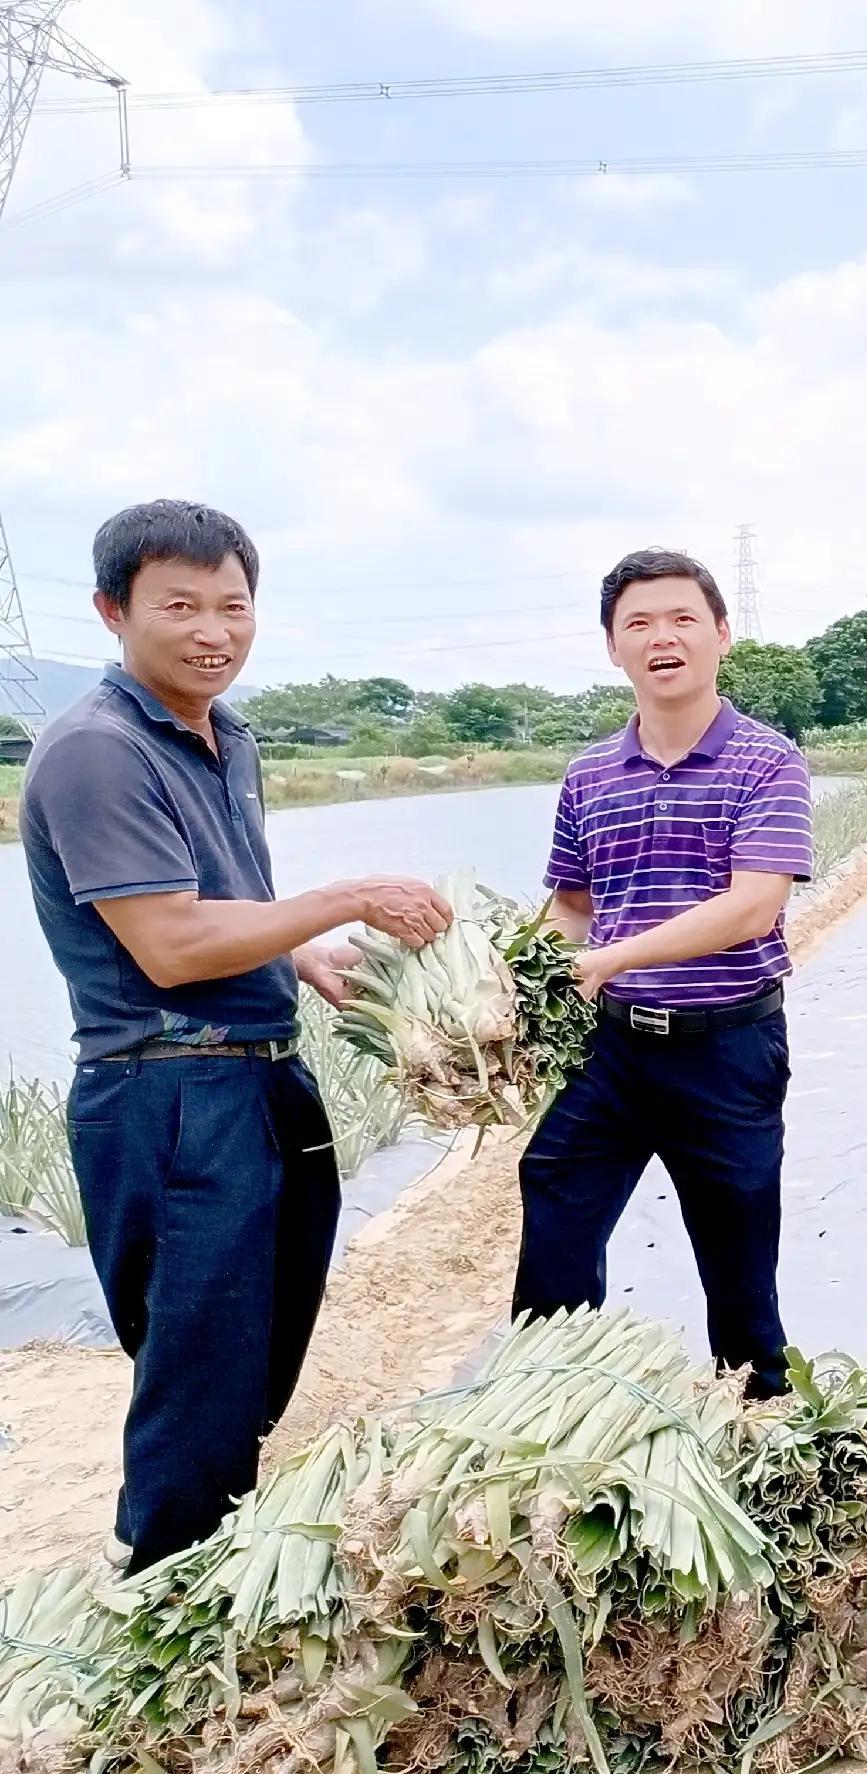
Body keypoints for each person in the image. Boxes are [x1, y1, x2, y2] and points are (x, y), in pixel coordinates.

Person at [19, 499, 451, 1571]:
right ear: (112, 611)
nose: (213, 629)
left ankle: (212, 1556)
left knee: (255, 1358)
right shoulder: (98, 751)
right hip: (169, 1098)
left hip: (264, 1080)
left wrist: (295, 956)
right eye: (180, 605)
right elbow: (167, 944)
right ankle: (161, 1594)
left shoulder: (228, 738)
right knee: (198, 1375)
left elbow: (221, 899)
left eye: (233, 605)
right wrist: (345, 897)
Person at [513, 548, 813, 1399]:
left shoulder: (768, 761)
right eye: (638, 624)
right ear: (613, 648)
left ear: (722, 634)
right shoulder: (588, 774)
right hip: (609, 1052)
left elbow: (753, 906)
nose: (662, 638)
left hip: (726, 1049)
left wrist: (611, 956)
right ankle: (549, 1404)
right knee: (555, 1204)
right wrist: (526, 966)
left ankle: (760, 1427)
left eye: (683, 619)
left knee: (739, 1266)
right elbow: (571, 906)